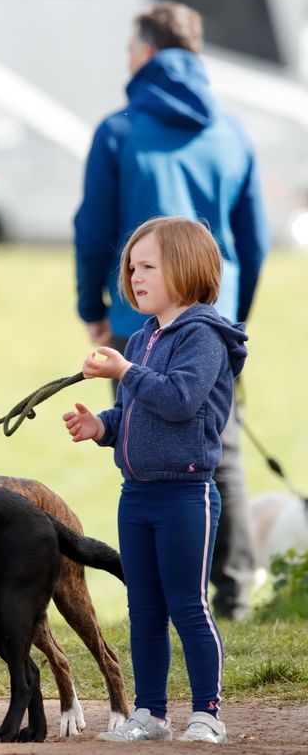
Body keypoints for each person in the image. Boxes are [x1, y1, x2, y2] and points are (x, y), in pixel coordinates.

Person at [73, 0, 270, 621]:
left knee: (142, 440)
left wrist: (94, 307)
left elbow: (93, 230)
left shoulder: (119, 130)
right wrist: (236, 317)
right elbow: (255, 239)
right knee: (222, 447)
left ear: (147, 53)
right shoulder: (233, 131)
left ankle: (157, 590)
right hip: (219, 312)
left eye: (130, 52)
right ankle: (232, 595)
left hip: (142, 318)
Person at [64, 216, 247, 744]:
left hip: (186, 496)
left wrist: (125, 372)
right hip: (135, 495)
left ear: (187, 269)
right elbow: (134, 410)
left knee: (188, 605)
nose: (135, 277)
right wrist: (101, 426)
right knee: (142, 607)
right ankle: (150, 713)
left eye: (148, 267)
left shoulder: (204, 336)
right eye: (131, 267)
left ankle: (207, 714)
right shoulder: (144, 337)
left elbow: (178, 399)